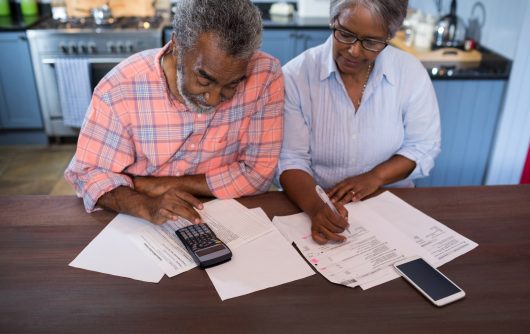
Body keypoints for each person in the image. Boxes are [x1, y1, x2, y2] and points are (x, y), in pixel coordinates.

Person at [65, 0, 284, 225]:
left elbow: (258, 173)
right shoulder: (120, 88)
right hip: (136, 219)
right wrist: (145, 204)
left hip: (225, 215)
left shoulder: (265, 75)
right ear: (177, 46)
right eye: (204, 79)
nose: (214, 99)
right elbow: (88, 175)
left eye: (232, 85)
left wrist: (157, 185)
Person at [277, 0, 441, 244]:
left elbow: (423, 146)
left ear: (389, 36)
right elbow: (291, 159)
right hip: (315, 203)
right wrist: (315, 207)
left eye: (371, 42)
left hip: (390, 205)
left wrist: (375, 177)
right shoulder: (295, 76)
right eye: (345, 34)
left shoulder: (410, 72)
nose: (354, 51)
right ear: (333, 21)